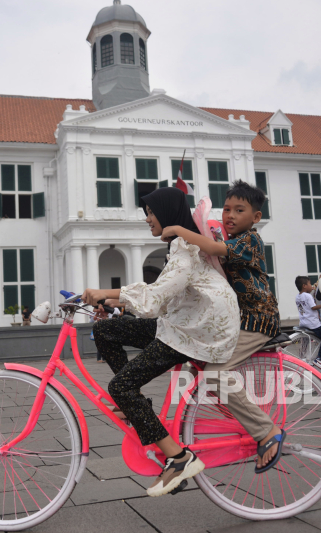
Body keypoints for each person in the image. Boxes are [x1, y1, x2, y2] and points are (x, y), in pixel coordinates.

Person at [82, 187, 241, 497]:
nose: (147, 220)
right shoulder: (180, 247)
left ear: (168, 213)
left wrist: (106, 293)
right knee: (106, 331)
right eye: (146, 214)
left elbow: (155, 298)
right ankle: (134, 405)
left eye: (151, 213)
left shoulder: (186, 247)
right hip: (183, 323)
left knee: (119, 387)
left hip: (198, 331)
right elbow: (161, 295)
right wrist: (110, 297)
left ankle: (180, 459)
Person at [159, 180, 287, 474]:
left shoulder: (250, 240)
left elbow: (215, 247)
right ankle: (236, 415)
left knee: (215, 373)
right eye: (227, 209)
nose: (230, 215)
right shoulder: (230, 239)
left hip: (258, 320)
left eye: (239, 210)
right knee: (200, 367)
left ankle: (266, 431)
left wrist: (181, 231)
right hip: (237, 319)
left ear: (255, 217)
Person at [294, 276, 321, 372]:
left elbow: (305, 305)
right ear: (304, 286)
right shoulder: (308, 296)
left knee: (306, 341)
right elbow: (313, 307)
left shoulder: (298, 296)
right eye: (309, 284)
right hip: (312, 323)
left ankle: (302, 357)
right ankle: (319, 359)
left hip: (303, 322)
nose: (311, 286)